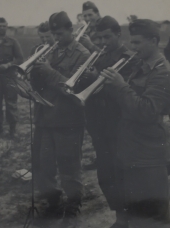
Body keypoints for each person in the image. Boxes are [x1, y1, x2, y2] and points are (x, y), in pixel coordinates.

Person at [101, 19, 170, 228]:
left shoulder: (162, 72)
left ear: (154, 41)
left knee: (150, 219)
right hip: (133, 149)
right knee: (137, 211)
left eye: (138, 43)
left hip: (147, 155)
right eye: (132, 42)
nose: (133, 47)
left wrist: (119, 86)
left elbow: (148, 111)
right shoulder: (141, 66)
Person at [31, 12, 90, 222]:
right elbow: (40, 84)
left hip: (67, 119)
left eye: (59, 33)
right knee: (43, 164)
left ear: (71, 30)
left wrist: (47, 71)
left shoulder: (83, 55)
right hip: (45, 117)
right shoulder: (50, 52)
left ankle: (73, 205)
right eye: (53, 34)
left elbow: (72, 88)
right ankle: (53, 200)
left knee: (69, 165)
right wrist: (34, 73)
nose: (55, 38)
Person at [80, 16, 136, 228]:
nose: (103, 41)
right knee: (106, 176)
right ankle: (120, 217)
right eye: (100, 37)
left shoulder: (128, 58)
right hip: (98, 126)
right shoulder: (97, 56)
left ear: (118, 35)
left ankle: (127, 220)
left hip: (119, 127)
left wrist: (98, 81)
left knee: (122, 174)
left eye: (107, 37)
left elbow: (128, 94)